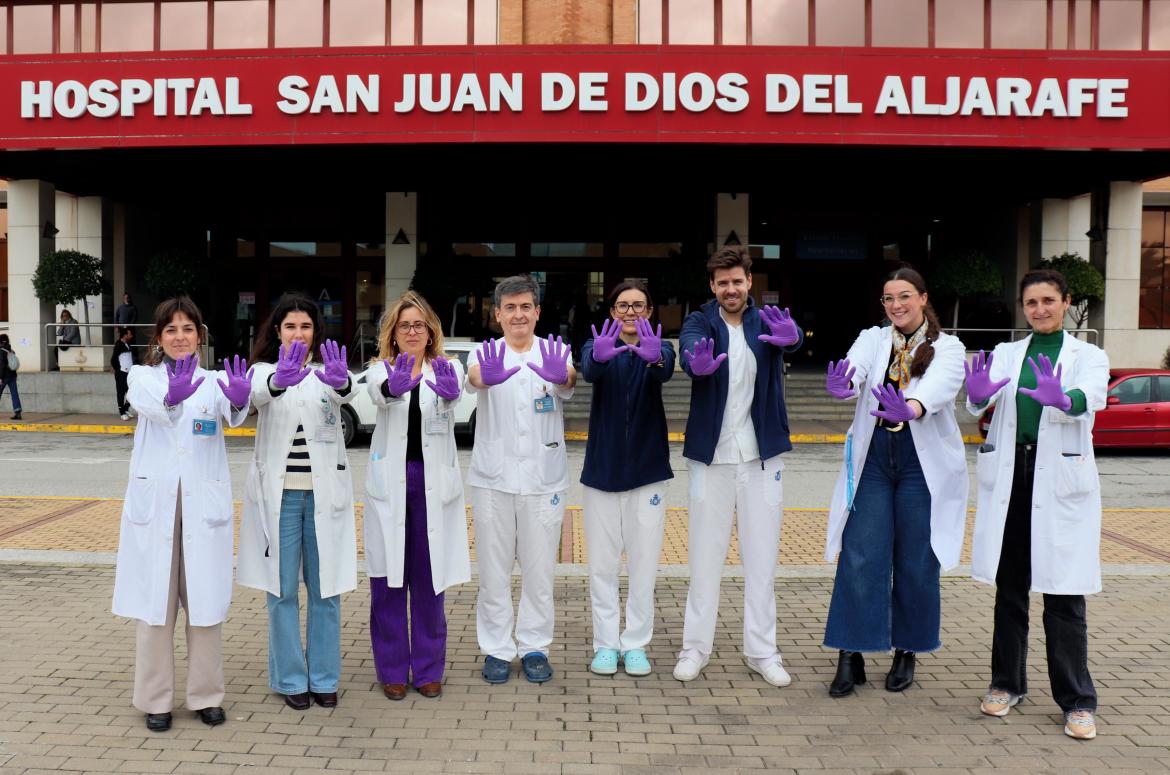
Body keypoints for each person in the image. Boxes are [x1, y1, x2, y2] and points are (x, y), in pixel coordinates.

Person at [965, 268, 1109, 741]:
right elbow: (979, 396)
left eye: (1049, 300)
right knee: (1011, 590)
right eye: (1032, 303)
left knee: (1064, 595)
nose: (1040, 309)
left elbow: (1091, 398)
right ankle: (1007, 684)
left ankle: (1077, 701)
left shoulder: (1088, 354)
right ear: (1023, 308)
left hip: (1060, 479)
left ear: (1066, 302)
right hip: (1013, 474)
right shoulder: (1009, 352)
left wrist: (1064, 398)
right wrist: (978, 394)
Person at [821, 266, 967, 697]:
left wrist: (914, 406)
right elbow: (855, 369)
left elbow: (941, 385)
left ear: (923, 298)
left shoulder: (949, 346)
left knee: (917, 561)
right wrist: (843, 383)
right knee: (860, 555)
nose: (897, 305)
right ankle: (852, 653)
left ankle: (908, 649)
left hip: (921, 465)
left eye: (905, 296)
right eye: (889, 299)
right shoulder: (874, 338)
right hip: (875, 461)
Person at [111, 296, 252, 732]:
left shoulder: (212, 380)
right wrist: (173, 397)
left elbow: (233, 415)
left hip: (201, 506)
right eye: (170, 329)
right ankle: (156, 700)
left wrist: (242, 397)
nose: (179, 337)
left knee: (205, 603)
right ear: (159, 337)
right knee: (156, 607)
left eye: (187, 329)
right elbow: (152, 407)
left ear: (200, 335)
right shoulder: (142, 376)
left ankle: (206, 696)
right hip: (157, 507)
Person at [674, 246, 803, 687]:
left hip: (761, 455)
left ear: (750, 282)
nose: (731, 289)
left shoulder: (765, 318)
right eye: (722, 282)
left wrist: (794, 339)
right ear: (713, 286)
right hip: (712, 457)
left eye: (738, 281)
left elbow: (792, 335)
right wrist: (697, 363)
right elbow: (689, 352)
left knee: (762, 560)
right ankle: (696, 647)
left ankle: (763, 651)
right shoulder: (699, 320)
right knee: (705, 558)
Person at [237, 293, 357, 711]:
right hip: (282, 498)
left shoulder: (330, 373)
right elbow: (253, 397)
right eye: (291, 326)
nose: (298, 334)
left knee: (326, 592)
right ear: (277, 330)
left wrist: (340, 381)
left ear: (315, 332)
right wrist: (277, 383)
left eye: (306, 327)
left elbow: (347, 392)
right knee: (282, 591)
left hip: (325, 496)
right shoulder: (264, 372)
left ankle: (324, 677)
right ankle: (290, 678)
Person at [465, 274, 576, 685]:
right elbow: (474, 377)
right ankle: (496, 648)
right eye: (509, 308)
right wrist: (486, 378)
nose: (518, 314)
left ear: (537, 312)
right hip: (493, 479)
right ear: (497, 314)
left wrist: (562, 375)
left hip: (544, 480)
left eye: (525, 306)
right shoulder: (486, 351)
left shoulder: (555, 349)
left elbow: (568, 381)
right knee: (493, 571)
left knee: (539, 571)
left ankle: (534, 647)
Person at [365, 291, 471, 700]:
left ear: (431, 332)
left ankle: (428, 669)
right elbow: (380, 393)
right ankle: (392, 669)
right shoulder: (380, 370)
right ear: (393, 332)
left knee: (430, 581)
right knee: (389, 582)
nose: (412, 331)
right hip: (391, 487)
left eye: (419, 325)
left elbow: (454, 395)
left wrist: (448, 392)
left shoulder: (448, 368)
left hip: (432, 486)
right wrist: (394, 387)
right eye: (404, 325)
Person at [580, 280, 675, 677]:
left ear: (650, 311)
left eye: (638, 305)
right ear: (612, 311)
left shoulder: (661, 347)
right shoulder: (596, 345)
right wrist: (600, 359)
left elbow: (666, 370)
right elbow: (587, 371)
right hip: (602, 471)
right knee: (602, 566)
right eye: (623, 305)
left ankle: (635, 643)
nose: (631, 311)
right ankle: (605, 643)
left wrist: (655, 360)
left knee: (643, 565)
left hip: (648, 472)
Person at [111, 327, 137, 420]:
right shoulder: (119, 344)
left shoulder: (127, 344)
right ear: (125, 335)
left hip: (129, 372)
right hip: (121, 372)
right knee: (121, 393)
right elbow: (114, 358)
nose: (131, 336)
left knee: (132, 392)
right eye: (129, 334)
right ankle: (122, 412)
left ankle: (125, 408)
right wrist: (116, 368)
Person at [0, 334, 22, 420]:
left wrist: (0, 378)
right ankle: (18, 412)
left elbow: (1, 366)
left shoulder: (1, 351)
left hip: (4, 376)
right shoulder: (11, 350)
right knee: (14, 394)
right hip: (13, 375)